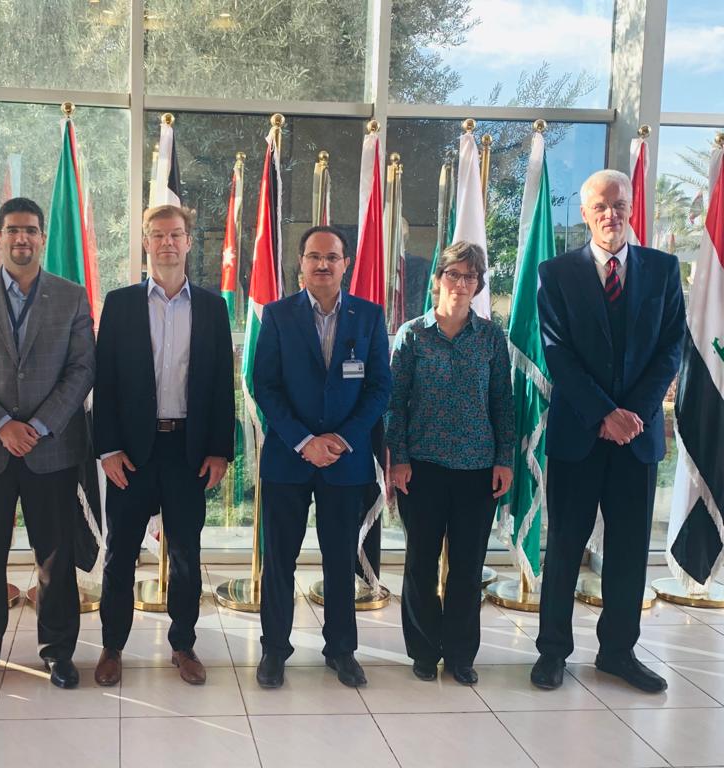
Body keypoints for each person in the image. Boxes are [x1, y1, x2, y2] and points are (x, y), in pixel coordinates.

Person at [531, 169, 684, 693]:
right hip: (579, 434)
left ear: (631, 207)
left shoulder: (663, 270)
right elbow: (557, 353)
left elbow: (671, 349)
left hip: (637, 437)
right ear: (584, 213)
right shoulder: (555, 273)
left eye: (619, 204)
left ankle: (618, 653)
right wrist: (603, 414)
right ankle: (552, 652)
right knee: (566, 547)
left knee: (628, 551)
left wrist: (631, 414)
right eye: (600, 205)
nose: (610, 214)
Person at [0, 197, 95, 691]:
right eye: (12, 230)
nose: (21, 238)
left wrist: (41, 425)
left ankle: (58, 651)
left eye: (30, 230)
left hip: (52, 448)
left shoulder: (71, 296)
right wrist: (1, 424)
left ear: (42, 238)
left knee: (55, 556)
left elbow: (82, 368)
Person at [93, 204, 235, 687]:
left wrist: (220, 449)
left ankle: (183, 644)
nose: (167, 243)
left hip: (188, 451)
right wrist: (107, 449)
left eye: (176, 234)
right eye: (158, 235)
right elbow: (104, 382)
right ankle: (112, 646)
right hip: (132, 451)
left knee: (186, 556)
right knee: (120, 554)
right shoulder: (120, 304)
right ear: (146, 243)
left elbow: (222, 384)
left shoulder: (213, 307)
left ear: (189, 242)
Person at [253, 225, 392, 689]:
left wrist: (342, 440)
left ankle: (342, 650)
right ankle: (274, 650)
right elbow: (265, 386)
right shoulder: (277, 315)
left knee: (339, 559)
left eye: (332, 257)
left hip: (344, 462)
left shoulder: (369, 317)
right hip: (288, 460)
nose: (323, 264)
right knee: (279, 560)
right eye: (314, 256)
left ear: (345, 263)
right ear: (301, 263)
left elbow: (379, 388)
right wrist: (304, 441)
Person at [386, 241, 514, 686]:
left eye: (470, 276)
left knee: (467, 567)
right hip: (421, 469)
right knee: (420, 564)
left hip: (478, 470)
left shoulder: (491, 337)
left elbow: (502, 402)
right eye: (454, 275)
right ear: (438, 280)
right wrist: (399, 458)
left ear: (478, 285)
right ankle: (423, 651)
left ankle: (460, 655)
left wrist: (505, 458)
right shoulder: (412, 335)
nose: (462, 283)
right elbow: (394, 404)